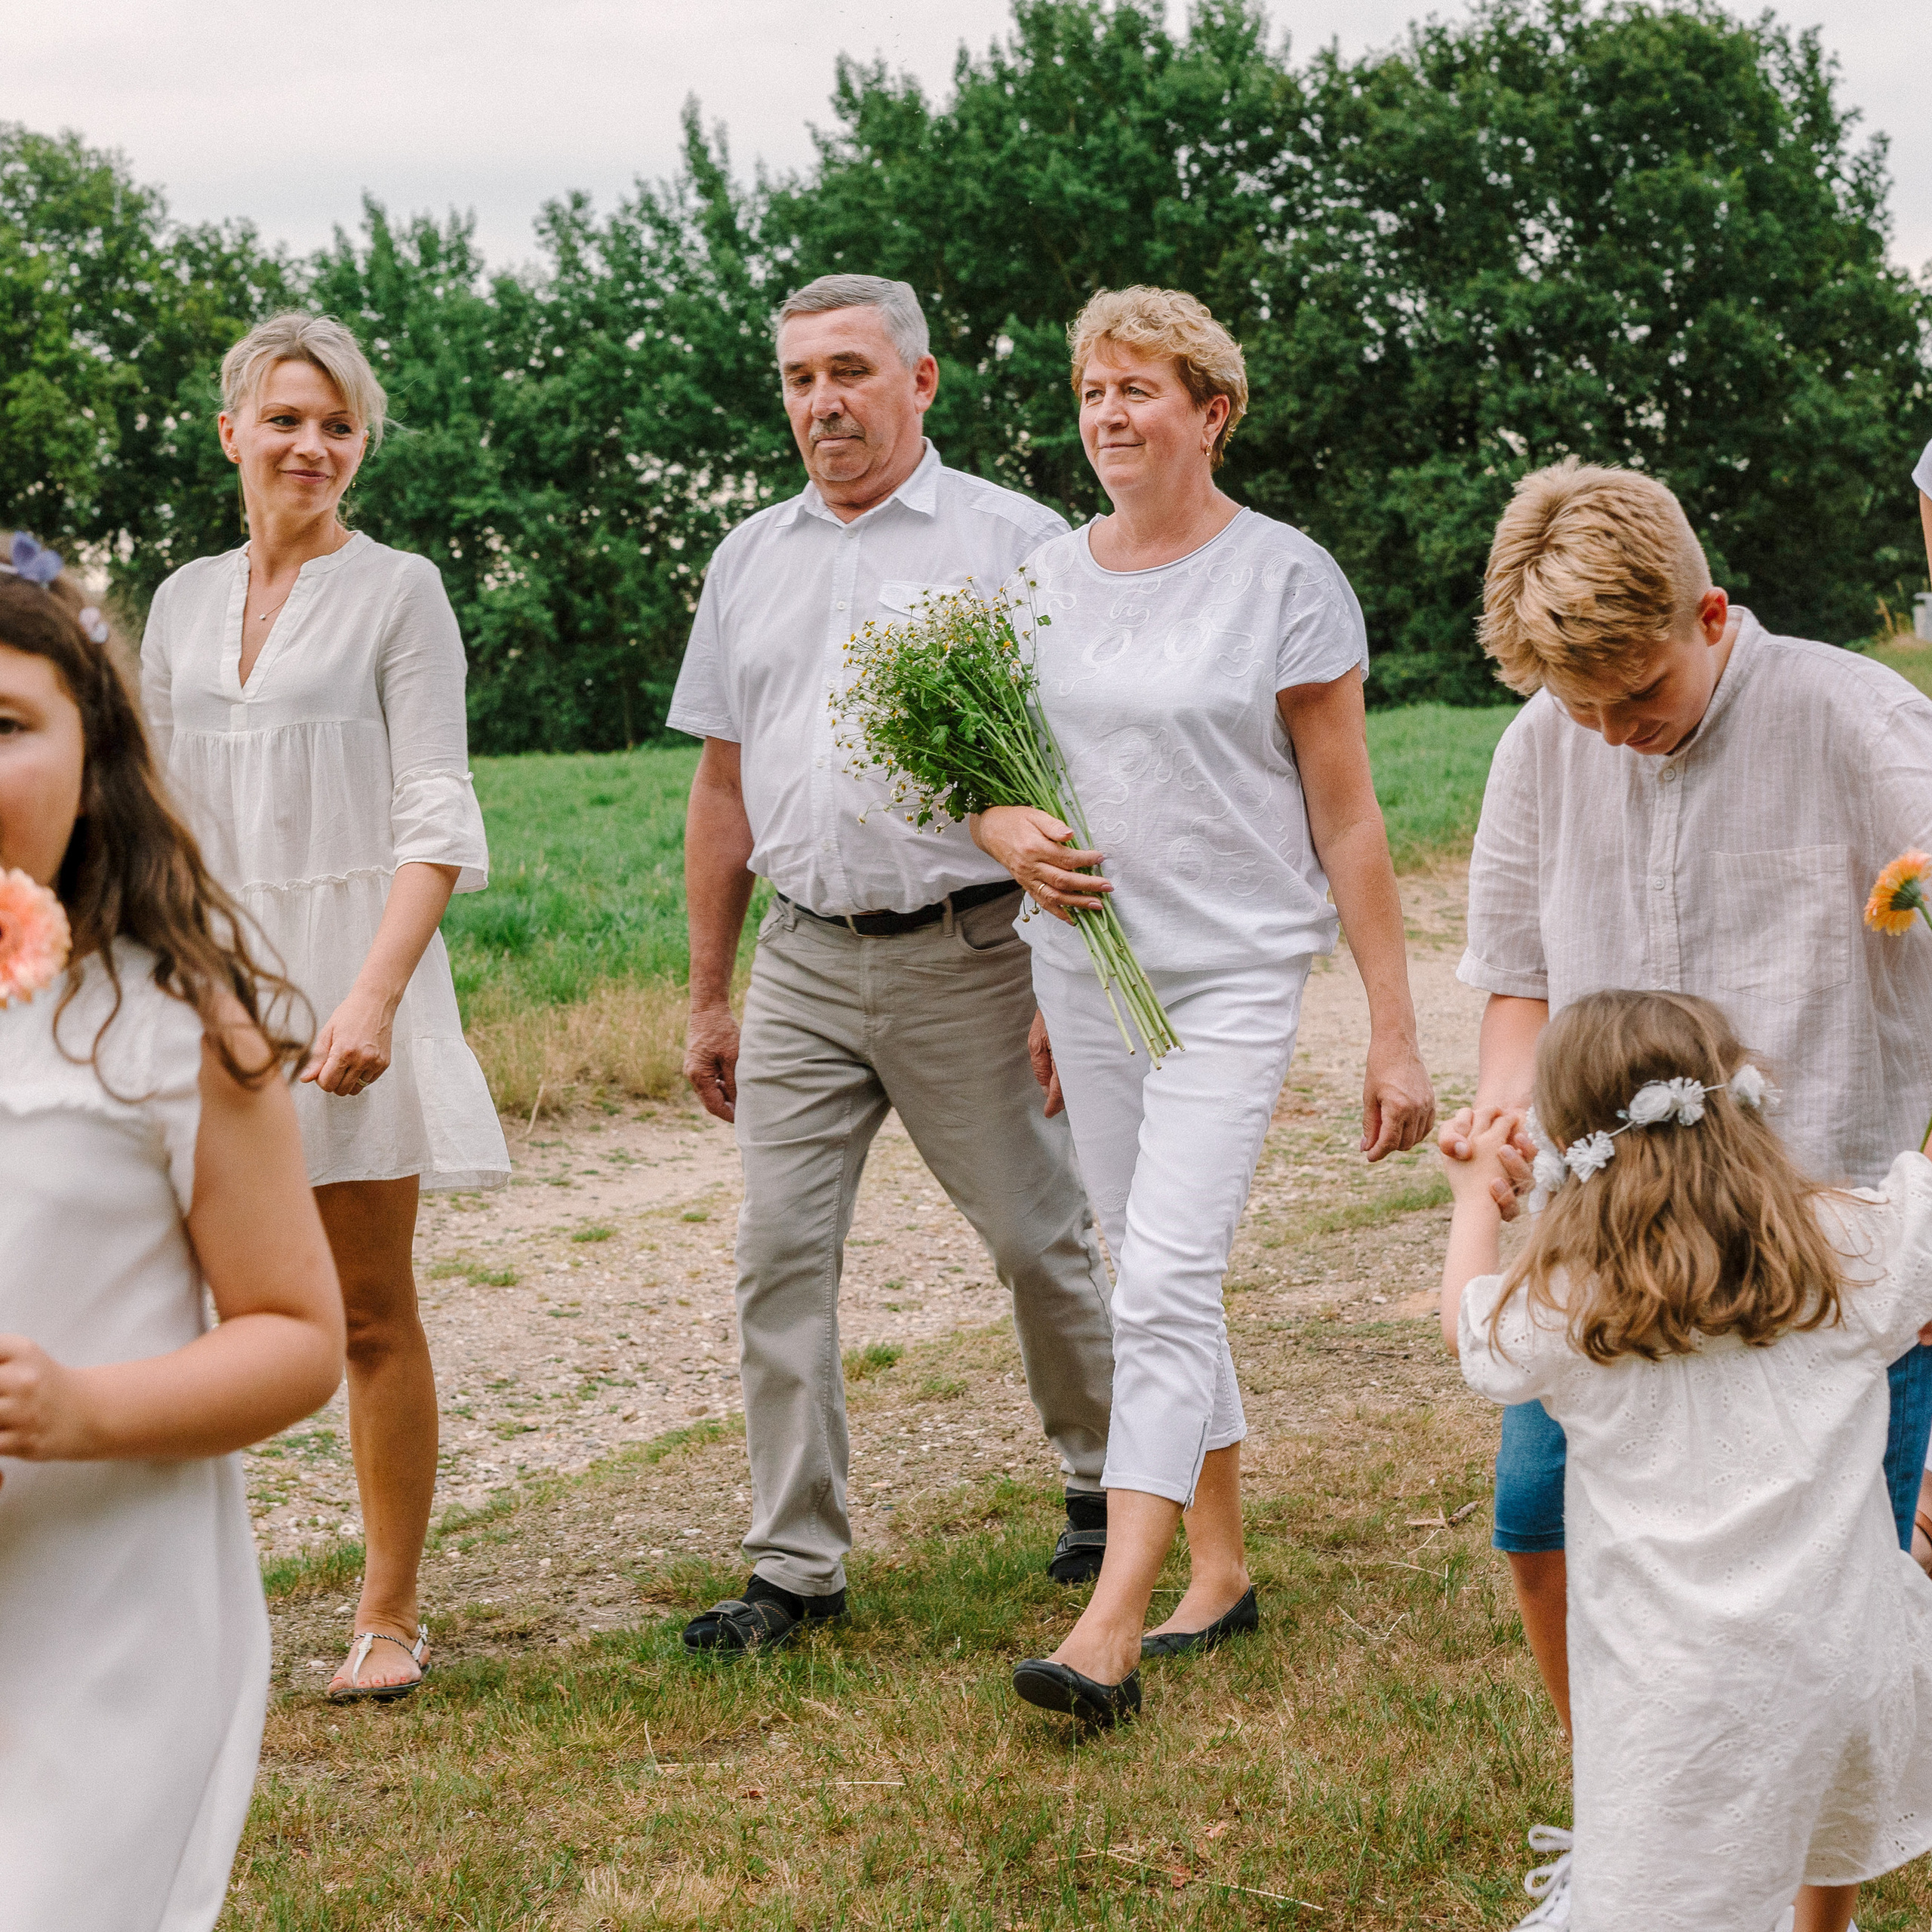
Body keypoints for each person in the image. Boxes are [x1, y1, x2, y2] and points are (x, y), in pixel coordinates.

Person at [1439, 457, 1932, 1924]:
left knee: (1836, 1568)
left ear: (1709, 615)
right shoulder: (1544, 741)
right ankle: (1641, 1815)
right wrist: (1504, 1108)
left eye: (1636, 698)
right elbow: (1517, 977)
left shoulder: (1857, 721)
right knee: (1535, 1514)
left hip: (1817, 1240)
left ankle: (1813, 1898)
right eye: (1578, 707)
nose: (1609, 733)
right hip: (1615, 1230)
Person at [972, 285, 1436, 1727]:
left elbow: (1348, 817)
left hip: (1232, 979)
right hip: (1083, 972)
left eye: (1140, 390)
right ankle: (1219, 1571)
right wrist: (1004, 838)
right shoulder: (1043, 579)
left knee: (1165, 1281)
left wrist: (1393, 1026)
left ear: (1211, 412)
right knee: (1150, 1274)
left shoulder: (1285, 578)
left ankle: (1108, 1620)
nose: (1109, 415)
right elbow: (1006, 779)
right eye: (1092, 391)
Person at [667, 274, 1117, 1654]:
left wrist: (1066, 974)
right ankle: (794, 1567)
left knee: (1036, 1238)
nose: (823, 403)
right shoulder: (747, 558)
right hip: (803, 957)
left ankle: (1110, 1481)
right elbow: (723, 789)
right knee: (778, 1257)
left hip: (974, 950)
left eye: (849, 371)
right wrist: (710, 995)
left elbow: (1080, 774)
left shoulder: (1017, 544)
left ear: (920, 382)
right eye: (800, 378)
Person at [140, 312, 509, 1702]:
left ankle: (389, 1614)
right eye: (286, 419)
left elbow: (436, 812)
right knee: (170, 1308)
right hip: (199, 986)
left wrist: (374, 996)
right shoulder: (178, 600)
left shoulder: (402, 590)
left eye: (339, 425)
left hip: (351, 981)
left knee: (365, 1308)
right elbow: (144, 813)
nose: (312, 445)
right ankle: (168, 1614)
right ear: (231, 431)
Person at [0, 534, 344, 1930]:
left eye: (6, 724)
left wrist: (79, 1410)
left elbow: (299, 1337)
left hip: (101, 1611)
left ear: (97, 755)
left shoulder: (172, 1029)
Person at [1444, 989, 1932, 1932]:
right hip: (1844, 1654)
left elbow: (1469, 1332)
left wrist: (1473, 1200)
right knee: (1829, 1809)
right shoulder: (1843, 1243)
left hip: (1679, 1685)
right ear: (1741, 1098)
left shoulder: (1572, 1300)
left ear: (1568, 1141)